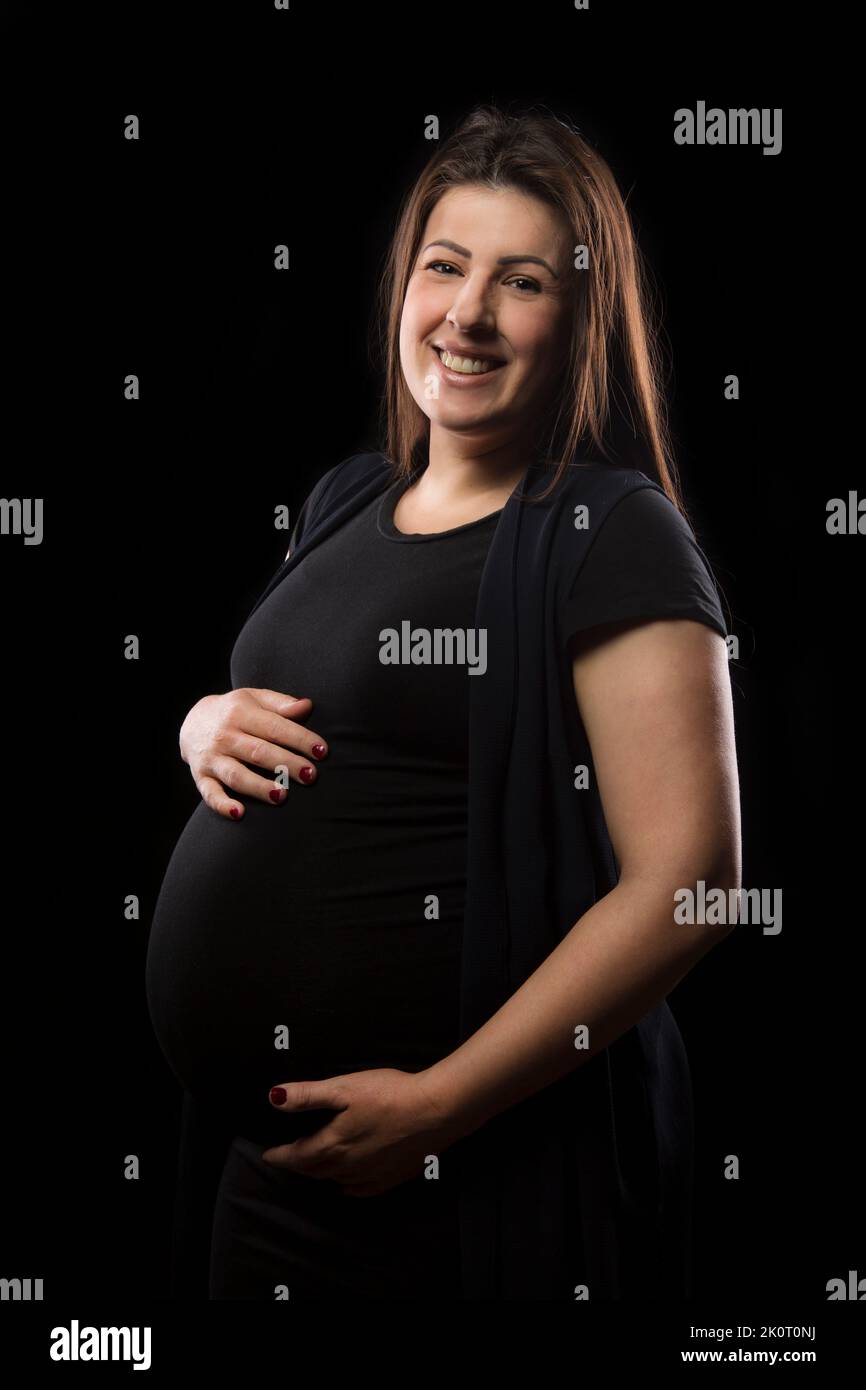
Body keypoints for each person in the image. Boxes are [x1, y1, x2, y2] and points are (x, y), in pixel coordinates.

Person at [145, 103, 740, 1301]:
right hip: (268, 1181)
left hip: (453, 1187)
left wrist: (437, 1107)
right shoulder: (347, 499)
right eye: (443, 267)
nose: (466, 313)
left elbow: (691, 879)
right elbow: (325, 724)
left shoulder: (609, 531)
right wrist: (196, 725)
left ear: (577, 318)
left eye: (519, 281)